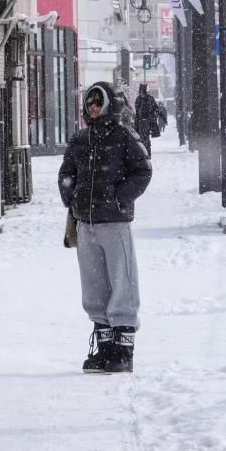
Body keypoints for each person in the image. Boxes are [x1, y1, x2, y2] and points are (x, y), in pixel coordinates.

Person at [59, 81, 153, 374]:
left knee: (122, 282)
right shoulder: (79, 139)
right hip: (85, 224)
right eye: (90, 102)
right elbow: (67, 174)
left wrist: (118, 197)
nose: (94, 108)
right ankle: (104, 347)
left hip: (115, 223)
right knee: (94, 285)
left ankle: (124, 351)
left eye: (99, 102)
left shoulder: (126, 136)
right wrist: (72, 200)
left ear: (112, 103)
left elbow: (143, 171)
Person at [134, 83, 159, 156]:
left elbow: (155, 108)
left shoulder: (148, 99)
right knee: (142, 138)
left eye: (142, 91)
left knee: (145, 138)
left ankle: (146, 153)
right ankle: (144, 153)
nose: (141, 93)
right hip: (141, 121)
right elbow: (137, 111)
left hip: (147, 121)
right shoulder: (139, 99)